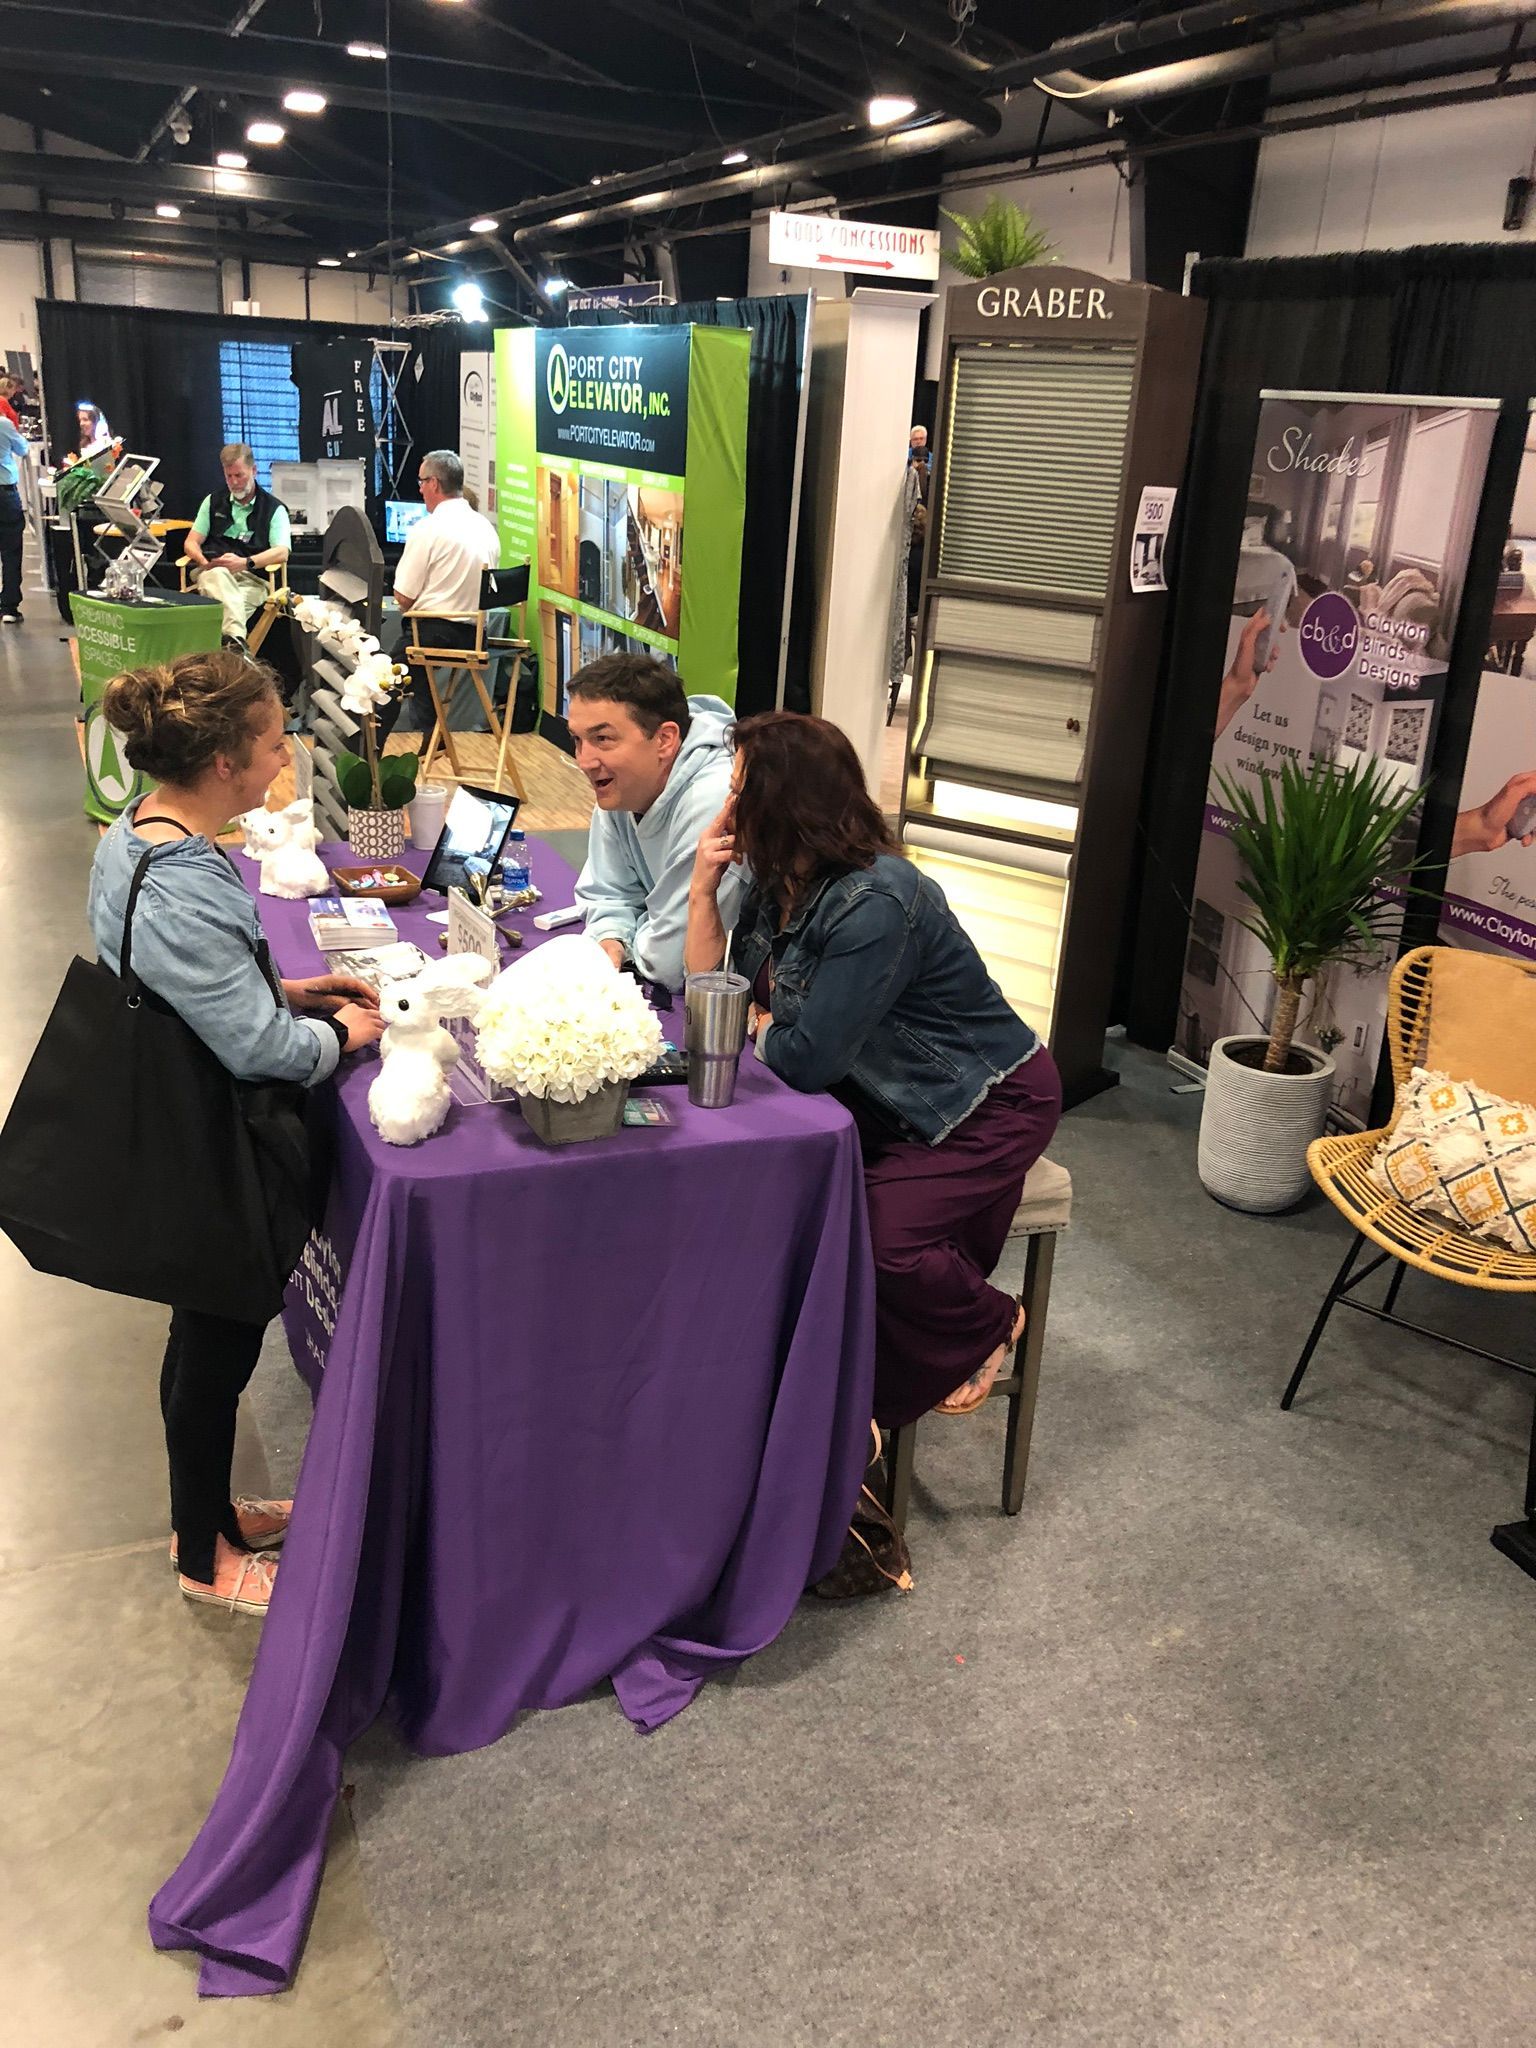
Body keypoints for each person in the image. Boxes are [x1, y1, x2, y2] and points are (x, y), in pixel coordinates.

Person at [90, 648, 384, 1615]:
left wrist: (286, 987)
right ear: (225, 761)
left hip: (168, 1118)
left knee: (201, 1338)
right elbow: (261, 1051)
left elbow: (177, 981)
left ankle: (210, 1513)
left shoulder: (140, 835)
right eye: (271, 740)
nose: (283, 754)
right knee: (213, 1351)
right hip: (208, 1147)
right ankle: (201, 1556)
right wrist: (340, 1033)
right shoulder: (188, 880)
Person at [686, 712, 1062, 1427]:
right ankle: (806, 1387)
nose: (725, 808)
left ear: (784, 804)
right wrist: (704, 889)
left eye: (738, 791)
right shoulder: (780, 880)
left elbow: (806, 1060)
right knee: (776, 1204)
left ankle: (990, 1321)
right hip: (882, 1099)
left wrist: (764, 1025)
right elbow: (712, 996)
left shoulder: (875, 901)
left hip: (981, 1105)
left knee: (877, 1240)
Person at [570, 652, 744, 993]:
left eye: (602, 739)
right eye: (577, 740)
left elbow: (673, 963)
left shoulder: (714, 799)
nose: (584, 761)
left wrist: (635, 933)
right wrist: (611, 936)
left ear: (665, 739)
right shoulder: (623, 785)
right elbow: (606, 892)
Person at [381, 449, 500, 729]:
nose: (420, 489)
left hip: (434, 634)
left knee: (384, 681)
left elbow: (403, 597)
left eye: (421, 482)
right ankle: (432, 741)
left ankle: (370, 750)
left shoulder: (427, 529)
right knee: (418, 670)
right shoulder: (485, 526)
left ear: (434, 483)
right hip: (476, 636)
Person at [184, 443, 292, 647]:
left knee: (221, 614)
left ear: (254, 470)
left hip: (252, 580)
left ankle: (230, 646)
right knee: (219, 576)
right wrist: (203, 562)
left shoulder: (274, 509)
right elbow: (191, 542)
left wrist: (244, 562)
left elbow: (281, 552)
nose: (234, 482)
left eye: (239, 475)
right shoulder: (212, 501)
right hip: (212, 574)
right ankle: (236, 645)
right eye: (229, 476)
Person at [0, 400, 28, 626]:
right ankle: (9, 607)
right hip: (5, 492)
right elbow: (23, 449)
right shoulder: (4, 424)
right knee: (11, 550)